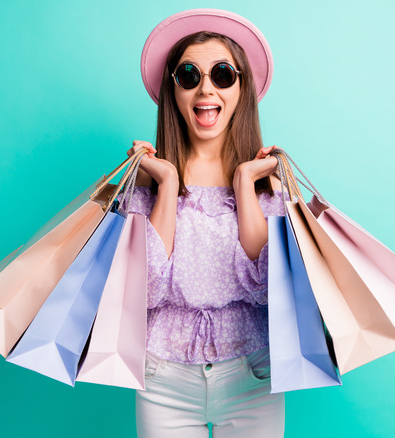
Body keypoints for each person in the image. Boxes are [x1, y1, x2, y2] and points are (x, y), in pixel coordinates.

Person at [122, 9, 286, 438]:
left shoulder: (268, 184)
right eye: (190, 75)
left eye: (223, 75)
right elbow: (144, 291)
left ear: (242, 87)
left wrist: (246, 182)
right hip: (162, 376)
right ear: (173, 88)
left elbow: (268, 288)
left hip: (253, 372)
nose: (205, 89)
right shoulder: (146, 182)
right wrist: (168, 182)